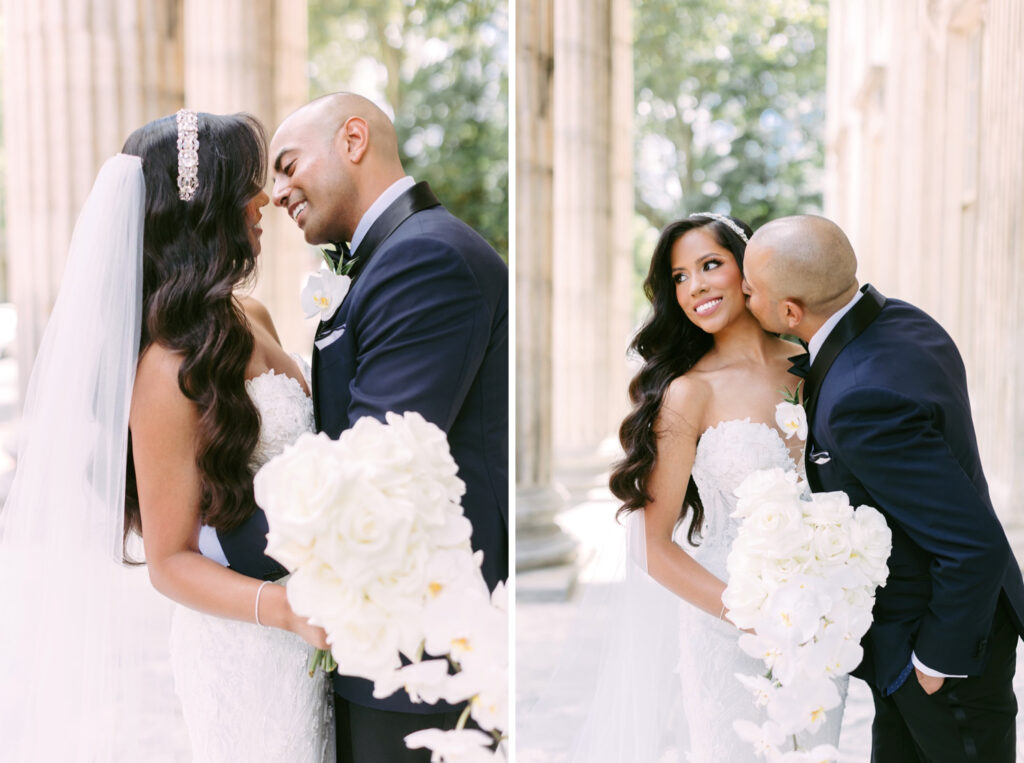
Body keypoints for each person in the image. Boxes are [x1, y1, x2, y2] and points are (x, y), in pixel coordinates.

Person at [0, 111, 333, 761]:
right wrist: (288, 608)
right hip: (250, 645)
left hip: (314, 623)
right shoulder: (166, 369)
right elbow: (170, 560)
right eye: (244, 184)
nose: (262, 197)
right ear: (204, 210)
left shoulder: (251, 312)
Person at [252, 92, 508, 763]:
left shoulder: (426, 260)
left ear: (354, 138)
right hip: (386, 645)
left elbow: (376, 462)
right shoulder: (393, 256)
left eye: (286, 165)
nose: (276, 193)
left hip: (424, 662)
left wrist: (218, 556)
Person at [741, 214, 1024, 762]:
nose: (745, 297)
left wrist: (934, 664)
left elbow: (974, 544)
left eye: (752, 291)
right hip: (915, 647)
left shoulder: (860, 398)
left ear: (790, 312)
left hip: (944, 652)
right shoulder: (903, 321)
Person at [568, 212, 846, 761]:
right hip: (726, 628)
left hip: (819, 627)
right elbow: (652, 545)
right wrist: (752, 616)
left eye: (709, 265)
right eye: (679, 277)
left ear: (748, 269)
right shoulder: (688, 394)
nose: (694, 286)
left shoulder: (813, 367)